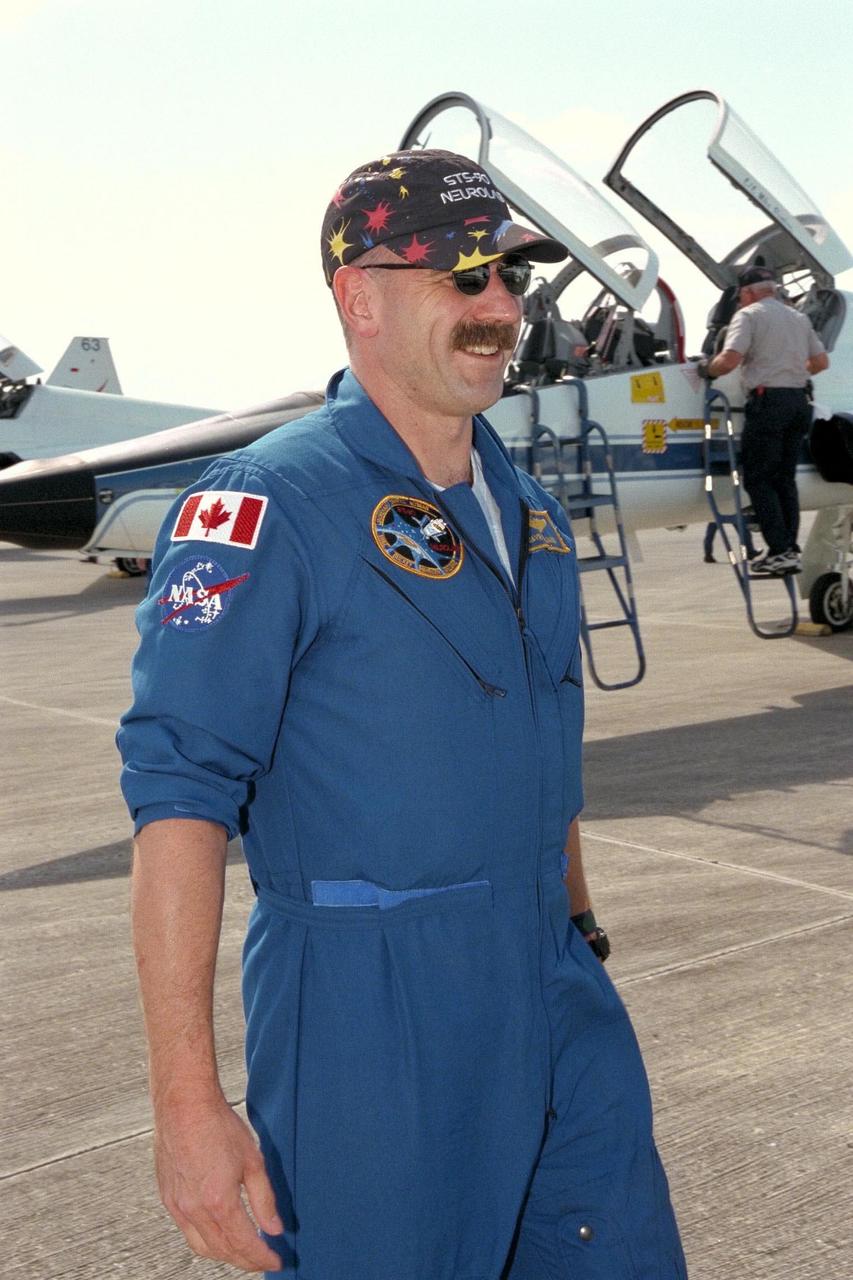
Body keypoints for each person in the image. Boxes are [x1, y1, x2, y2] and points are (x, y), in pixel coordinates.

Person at [118, 149, 688, 1280]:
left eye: (506, 277)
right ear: (357, 295)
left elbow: (539, 743)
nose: (495, 306)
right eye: (456, 275)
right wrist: (187, 1102)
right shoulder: (264, 505)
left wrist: (577, 930)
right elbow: (180, 797)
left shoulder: (524, 507)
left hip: (553, 985)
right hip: (370, 1023)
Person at [699, 265, 829, 576]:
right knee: (785, 479)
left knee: (759, 479)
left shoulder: (749, 315)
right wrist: (791, 373)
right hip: (798, 402)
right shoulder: (798, 317)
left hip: (768, 403)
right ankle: (789, 549)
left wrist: (707, 369)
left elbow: (729, 360)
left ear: (747, 293)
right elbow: (821, 362)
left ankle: (780, 550)